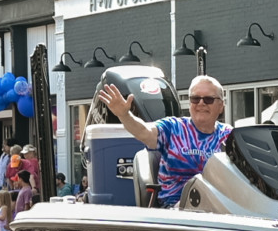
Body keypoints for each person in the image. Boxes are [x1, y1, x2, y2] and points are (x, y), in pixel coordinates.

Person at [98, 74, 232, 206]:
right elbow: (144, 132)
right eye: (195, 99)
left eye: (208, 99)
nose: (201, 104)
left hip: (220, 209)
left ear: (221, 105)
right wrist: (124, 115)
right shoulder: (173, 127)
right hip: (177, 211)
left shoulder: (229, 136)